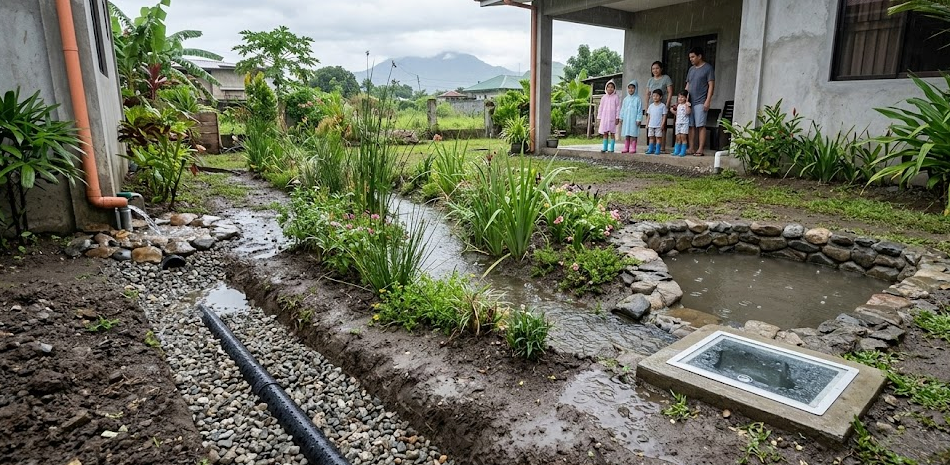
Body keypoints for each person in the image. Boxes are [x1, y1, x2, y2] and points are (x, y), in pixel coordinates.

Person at [684, 47, 715, 156]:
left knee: (701, 125)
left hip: (701, 101)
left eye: (693, 57)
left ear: (699, 56)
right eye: (690, 57)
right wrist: (685, 102)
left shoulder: (708, 68)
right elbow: (687, 86)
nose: (691, 59)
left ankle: (701, 148)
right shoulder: (691, 69)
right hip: (690, 102)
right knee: (691, 125)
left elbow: (711, 85)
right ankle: (691, 147)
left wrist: (708, 100)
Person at [646, 61, 674, 153]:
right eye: (653, 68)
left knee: (662, 126)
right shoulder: (650, 80)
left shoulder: (666, 78)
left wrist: (667, 103)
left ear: (661, 69)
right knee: (651, 126)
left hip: (662, 105)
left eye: (657, 68)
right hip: (652, 106)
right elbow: (647, 94)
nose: (655, 70)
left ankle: (661, 147)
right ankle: (651, 147)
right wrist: (647, 105)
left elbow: (670, 91)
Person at [618, 80, 643, 154]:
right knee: (627, 133)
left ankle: (633, 147)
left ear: (635, 89)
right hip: (626, 119)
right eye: (629, 88)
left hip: (634, 120)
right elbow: (622, 109)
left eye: (632, 88)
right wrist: (621, 117)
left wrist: (639, 119)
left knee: (633, 133)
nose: (631, 89)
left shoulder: (638, 99)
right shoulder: (625, 99)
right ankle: (626, 147)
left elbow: (639, 110)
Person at [597, 80, 621, 153]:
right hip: (605, 118)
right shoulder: (604, 97)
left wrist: (617, 117)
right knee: (605, 133)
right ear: (606, 88)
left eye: (612, 87)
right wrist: (599, 117)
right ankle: (605, 147)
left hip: (612, 118)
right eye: (608, 87)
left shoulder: (616, 97)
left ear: (614, 89)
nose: (610, 88)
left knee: (612, 133)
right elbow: (600, 107)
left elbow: (618, 108)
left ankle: (612, 148)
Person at [644, 89, 667, 155]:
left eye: (657, 96)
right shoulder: (651, 106)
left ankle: (657, 150)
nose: (655, 97)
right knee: (651, 137)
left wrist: (662, 124)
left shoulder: (662, 106)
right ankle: (650, 149)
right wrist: (647, 124)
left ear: (661, 97)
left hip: (658, 125)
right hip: (651, 125)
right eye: (654, 96)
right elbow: (649, 116)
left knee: (658, 137)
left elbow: (664, 116)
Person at [671, 90, 692, 156]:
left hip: (684, 123)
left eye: (682, 97)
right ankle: (677, 151)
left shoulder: (687, 105)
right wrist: (672, 110)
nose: (680, 98)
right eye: (679, 97)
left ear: (686, 98)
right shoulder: (678, 105)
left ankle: (683, 151)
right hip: (678, 123)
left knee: (683, 137)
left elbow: (688, 112)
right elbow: (676, 113)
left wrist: (687, 105)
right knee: (678, 137)